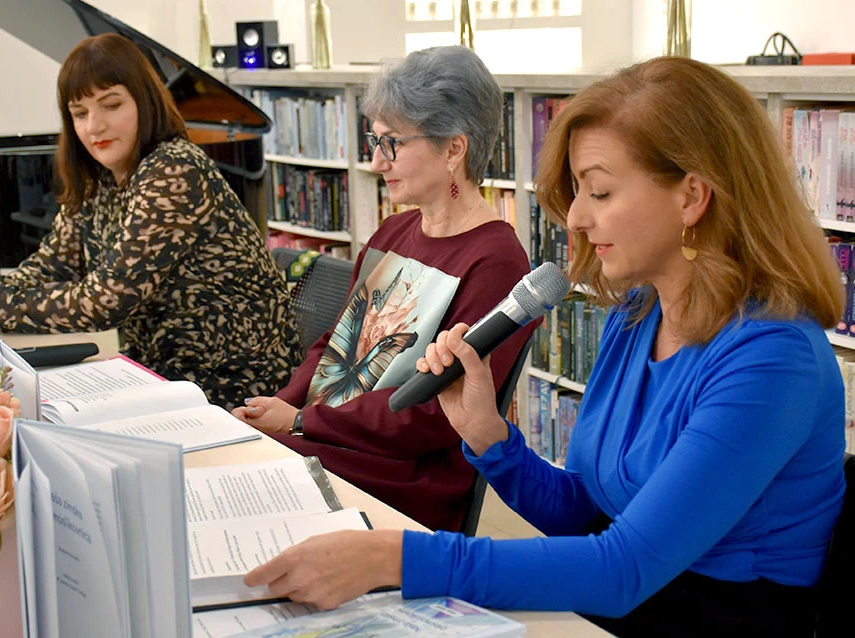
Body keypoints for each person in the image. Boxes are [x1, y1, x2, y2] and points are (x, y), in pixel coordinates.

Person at [241, 57, 848, 637]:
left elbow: (621, 569)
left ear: (691, 196)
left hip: (709, 620)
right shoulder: (639, 315)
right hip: (621, 603)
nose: (576, 218)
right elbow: (583, 513)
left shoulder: (772, 358)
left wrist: (393, 558)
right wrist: (487, 437)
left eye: (600, 192)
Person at [232, 46, 537, 532]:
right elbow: (332, 347)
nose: (377, 162)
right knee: (234, 448)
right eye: (375, 140)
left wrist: (297, 423)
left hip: (404, 472)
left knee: (240, 479)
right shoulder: (391, 233)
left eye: (392, 143)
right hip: (334, 437)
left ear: (454, 148)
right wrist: (280, 404)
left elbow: (433, 413)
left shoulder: (498, 263)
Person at [0, 33, 300, 410]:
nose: (93, 126)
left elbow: (104, 301)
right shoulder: (98, 178)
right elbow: (52, 266)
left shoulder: (174, 168)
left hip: (234, 383)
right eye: (79, 113)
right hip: (163, 372)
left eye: (111, 105)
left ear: (145, 103)